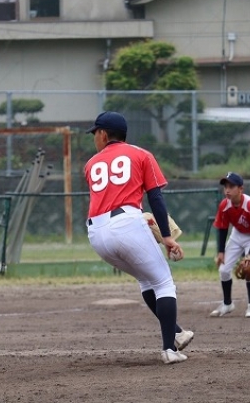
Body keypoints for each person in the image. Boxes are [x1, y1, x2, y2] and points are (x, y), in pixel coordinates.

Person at [84, 111, 194, 365]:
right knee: (164, 283)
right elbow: (155, 197)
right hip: (126, 224)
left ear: (104, 134)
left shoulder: (90, 164)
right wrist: (166, 237)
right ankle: (169, 349)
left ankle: (177, 333)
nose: (94, 138)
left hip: (96, 233)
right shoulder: (141, 154)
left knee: (146, 280)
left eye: (95, 133)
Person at [210, 172, 250, 318]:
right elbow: (223, 228)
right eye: (225, 187)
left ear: (241, 189)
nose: (227, 190)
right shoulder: (224, 205)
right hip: (237, 235)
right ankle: (227, 304)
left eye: (231, 186)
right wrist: (221, 252)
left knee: (249, 268)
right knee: (223, 270)